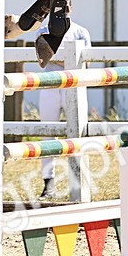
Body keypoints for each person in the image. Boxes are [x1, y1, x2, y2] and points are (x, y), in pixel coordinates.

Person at [35, 19, 91, 198]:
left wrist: (57, 56)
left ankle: (78, 180)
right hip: (50, 84)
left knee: (78, 131)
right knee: (47, 132)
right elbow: (43, 59)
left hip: (74, 85)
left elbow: (87, 62)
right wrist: (70, 58)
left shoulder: (81, 31)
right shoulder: (43, 31)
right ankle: (48, 182)